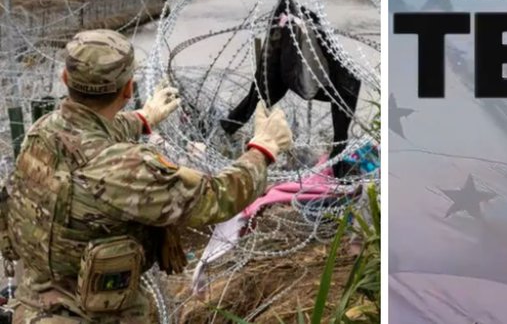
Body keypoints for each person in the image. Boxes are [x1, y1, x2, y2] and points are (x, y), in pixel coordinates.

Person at [0, 29, 293, 323]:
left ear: (65, 79)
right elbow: (217, 197)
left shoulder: (43, 131)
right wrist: (263, 149)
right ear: (128, 89)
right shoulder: (129, 167)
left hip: (35, 306)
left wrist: (143, 119)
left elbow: (88, 136)